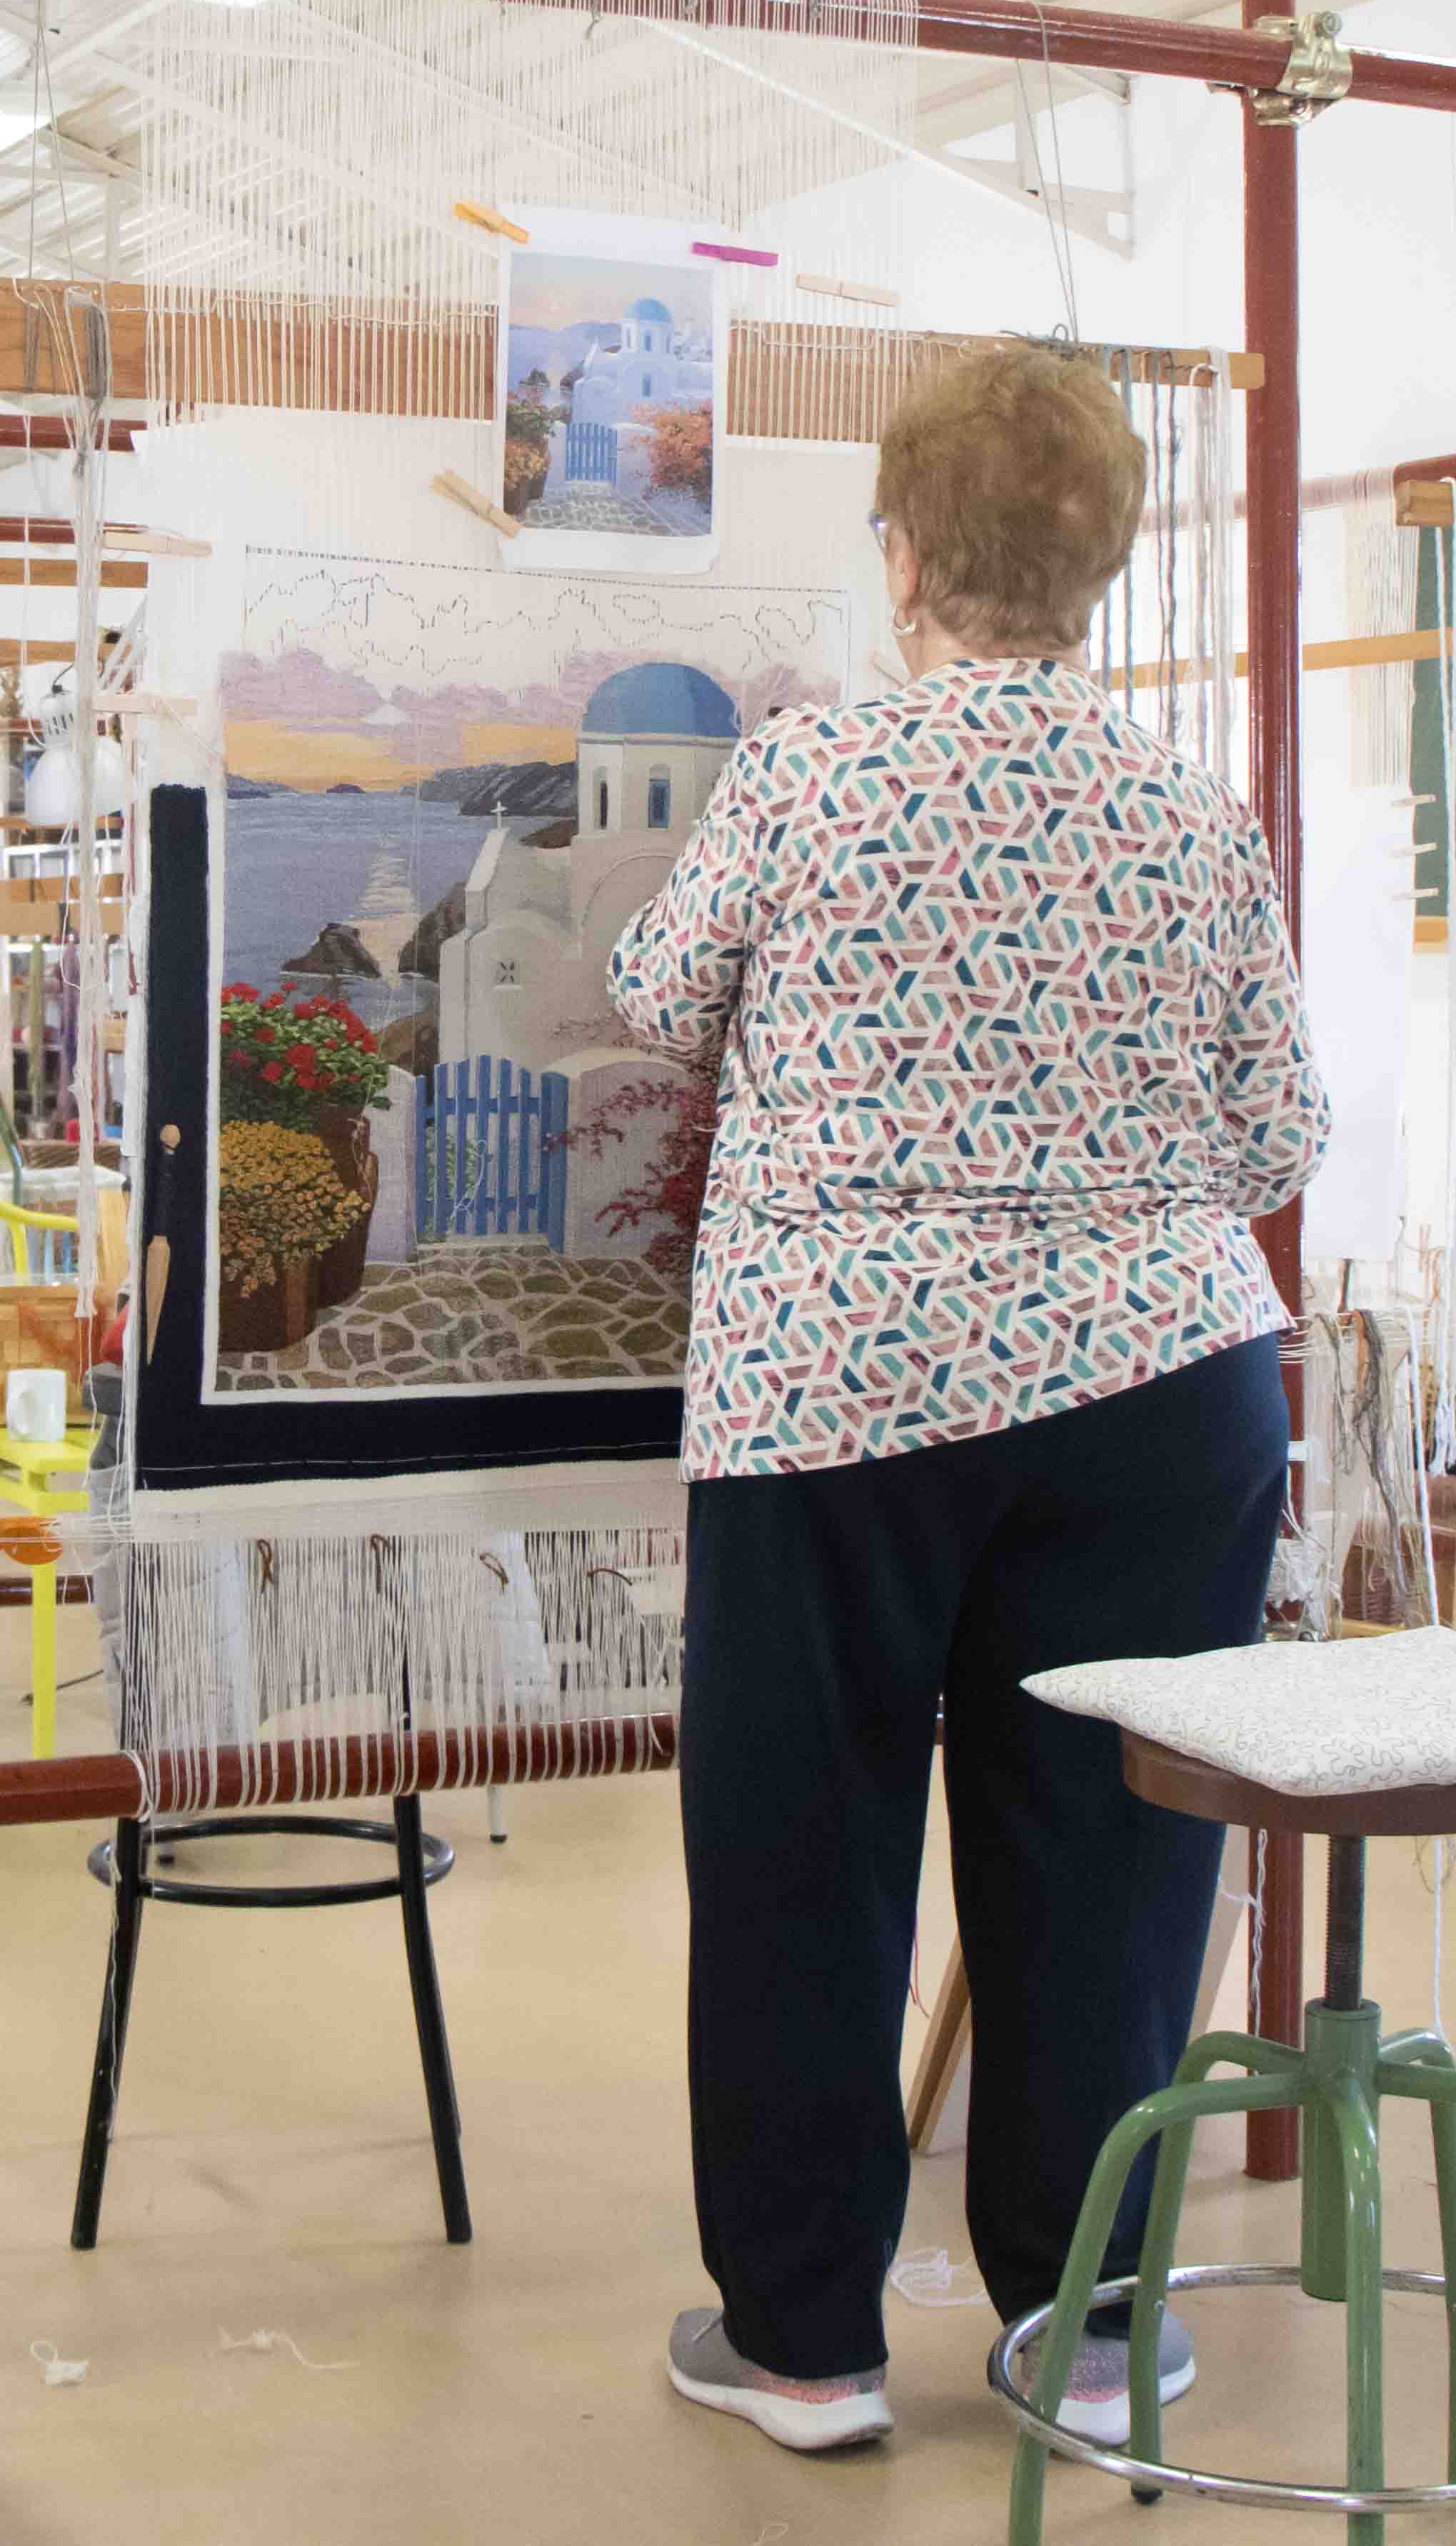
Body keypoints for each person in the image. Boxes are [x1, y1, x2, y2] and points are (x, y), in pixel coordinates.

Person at [609, 341, 1329, 2457]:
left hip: (837, 1382)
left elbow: (656, 997)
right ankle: (1087, 2334)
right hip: (1157, 1381)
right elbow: (1278, 1131)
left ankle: (806, 2345)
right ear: (1102, 567)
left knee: (803, 1845)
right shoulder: (1189, 811)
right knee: (1106, 1855)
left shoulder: (809, 776)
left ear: (904, 555)